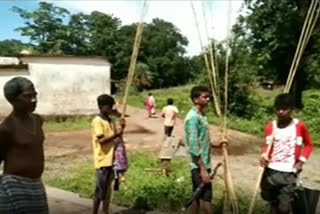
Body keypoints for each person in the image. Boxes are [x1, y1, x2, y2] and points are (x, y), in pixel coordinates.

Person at [0, 77, 48, 214]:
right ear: (13, 100)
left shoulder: (37, 120)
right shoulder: (7, 128)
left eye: (35, 95)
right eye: (28, 96)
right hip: (14, 187)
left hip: (36, 185)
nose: (34, 99)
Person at [260, 93, 313, 214]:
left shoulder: (299, 126)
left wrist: (301, 161)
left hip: (289, 172)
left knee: (284, 207)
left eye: (285, 109)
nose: (281, 112)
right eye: (278, 108)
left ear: (291, 109)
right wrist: (263, 155)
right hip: (271, 171)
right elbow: (268, 146)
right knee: (271, 201)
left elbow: (309, 144)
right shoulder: (271, 127)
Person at [184, 86, 224, 214]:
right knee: (206, 198)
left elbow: (201, 139)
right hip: (198, 165)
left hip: (203, 163)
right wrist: (202, 169)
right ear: (196, 99)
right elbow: (194, 146)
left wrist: (215, 144)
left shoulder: (201, 115)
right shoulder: (193, 118)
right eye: (204, 97)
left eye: (208, 97)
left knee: (196, 196)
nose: (208, 99)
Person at [91, 94, 125, 214]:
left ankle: (105, 211)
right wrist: (117, 134)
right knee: (100, 191)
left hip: (112, 159)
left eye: (112, 106)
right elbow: (101, 140)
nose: (111, 109)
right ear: (101, 107)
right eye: (109, 107)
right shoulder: (97, 121)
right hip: (102, 161)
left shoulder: (110, 120)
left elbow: (115, 138)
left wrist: (122, 128)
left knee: (107, 190)